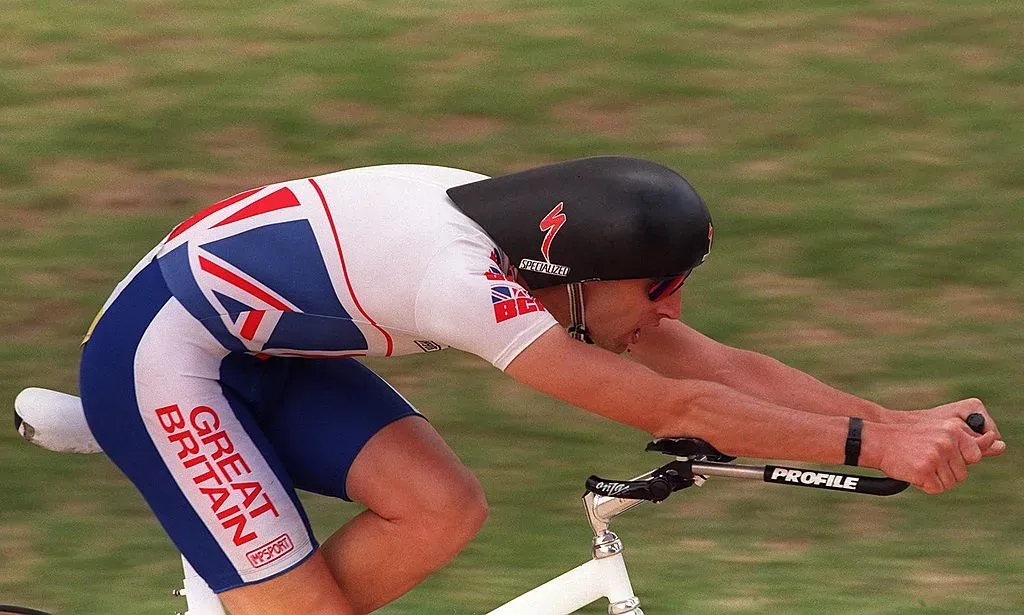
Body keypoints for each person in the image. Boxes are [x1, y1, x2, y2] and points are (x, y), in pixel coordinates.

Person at [77, 156, 1005, 615]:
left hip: (265, 355)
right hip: (166, 363)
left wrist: (893, 418)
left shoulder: (541, 253)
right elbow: (681, 408)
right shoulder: (462, 282)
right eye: (658, 290)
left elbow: (715, 369)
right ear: (585, 272)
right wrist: (873, 448)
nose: (670, 311)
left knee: (442, 505)